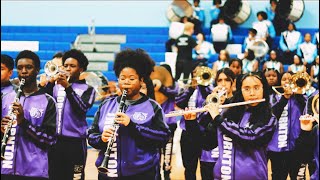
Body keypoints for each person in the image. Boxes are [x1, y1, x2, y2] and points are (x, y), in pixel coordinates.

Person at [87, 48, 170, 179]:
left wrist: (132, 125)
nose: (126, 82)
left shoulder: (152, 106)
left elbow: (163, 137)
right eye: (122, 78)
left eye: (132, 79)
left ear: (141, 80)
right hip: (108, 173)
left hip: (141, 174)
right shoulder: (106, 105)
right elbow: (91, 135)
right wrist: (101, 139)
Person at [184, 71, 276, 179]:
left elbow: (250, 137)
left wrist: (218, 118)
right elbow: (207, 143)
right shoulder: (228, 113)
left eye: (256, 88)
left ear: (263, 89)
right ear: (240, 91)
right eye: (246, 89)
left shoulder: (269, 118)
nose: (252, 93)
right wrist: (191, 122)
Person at [1, 50, 57, 180]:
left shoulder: (48, 101)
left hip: (34, 172)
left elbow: (50, 139)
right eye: (20, 68)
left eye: (29, 67)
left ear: (37, 70)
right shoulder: (6, 97)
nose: (24, 71)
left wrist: (23, 122)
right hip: (5, 168)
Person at [42, 49, 96, 180]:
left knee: (75, 177)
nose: (67, 69)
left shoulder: (88, 89)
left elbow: (81, 108)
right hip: (55, 142)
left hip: (75, 143)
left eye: (72, 66)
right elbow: (44, 103)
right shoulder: (56, 86)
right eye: (65, 66)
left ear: (81, 69)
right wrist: (49, 83)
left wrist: (68, 87)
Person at [175, 65, 214, 180]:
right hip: (187, 132)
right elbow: (179, 103)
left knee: (206, 167)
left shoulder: (210, 90)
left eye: (202, 73)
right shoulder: (187, 88)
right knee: (189, 167)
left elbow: (213, 102)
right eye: (197, 73)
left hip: (204, 133)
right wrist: (191, 88)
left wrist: (204, 87)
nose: (200, 76)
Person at [267, 71, 308, 180]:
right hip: (277, 149)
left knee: (298, 177)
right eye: (284, 79)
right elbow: (273, 115)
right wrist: (284, 98)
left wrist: (298, 94)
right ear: (280, 82)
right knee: (278, 177)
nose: (287, 82)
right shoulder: (273, 97)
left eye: (290, 80)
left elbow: (308, 111)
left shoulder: (301, 98)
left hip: (296, 148)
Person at [153, 64, 180, 180]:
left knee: (167, 150)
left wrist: (161, 87)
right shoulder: (153, 87)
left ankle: (167, 172)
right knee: (156, 150)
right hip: (156, 122)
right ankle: (157, 173)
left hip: (169, 122)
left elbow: (174, 93)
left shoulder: (174, 86)